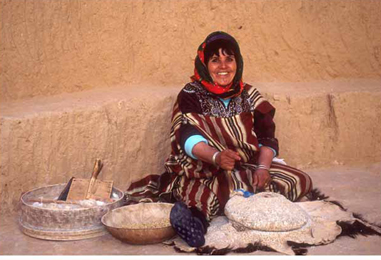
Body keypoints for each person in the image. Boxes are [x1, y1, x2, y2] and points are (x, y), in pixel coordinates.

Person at [126, 31, 313, 248]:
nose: (223, 66)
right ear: (204, 64)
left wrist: (262, 167)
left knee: (298, 179)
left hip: (244, 167)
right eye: (215, 60)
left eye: (229, 59)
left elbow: (266, 138)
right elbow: (187, 136)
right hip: (202, 168)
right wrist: (216, 157)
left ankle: (239, 195)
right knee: (202, 196)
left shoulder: (250, 95)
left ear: (238, 62)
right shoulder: (190, 94)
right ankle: (195, 223)